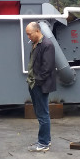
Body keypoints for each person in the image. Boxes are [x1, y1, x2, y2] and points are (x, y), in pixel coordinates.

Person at [24, 21, 56, 152]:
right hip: (34, 84)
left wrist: (37, 81)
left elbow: (47, 68)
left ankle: (43, 143)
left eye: (29, 34)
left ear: (37, 31)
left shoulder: (47, 45)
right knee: (40, 113)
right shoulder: (36, 43)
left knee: (43, 114)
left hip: (40, 85)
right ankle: (45, 140)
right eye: (27, 34)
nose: (28, 37)